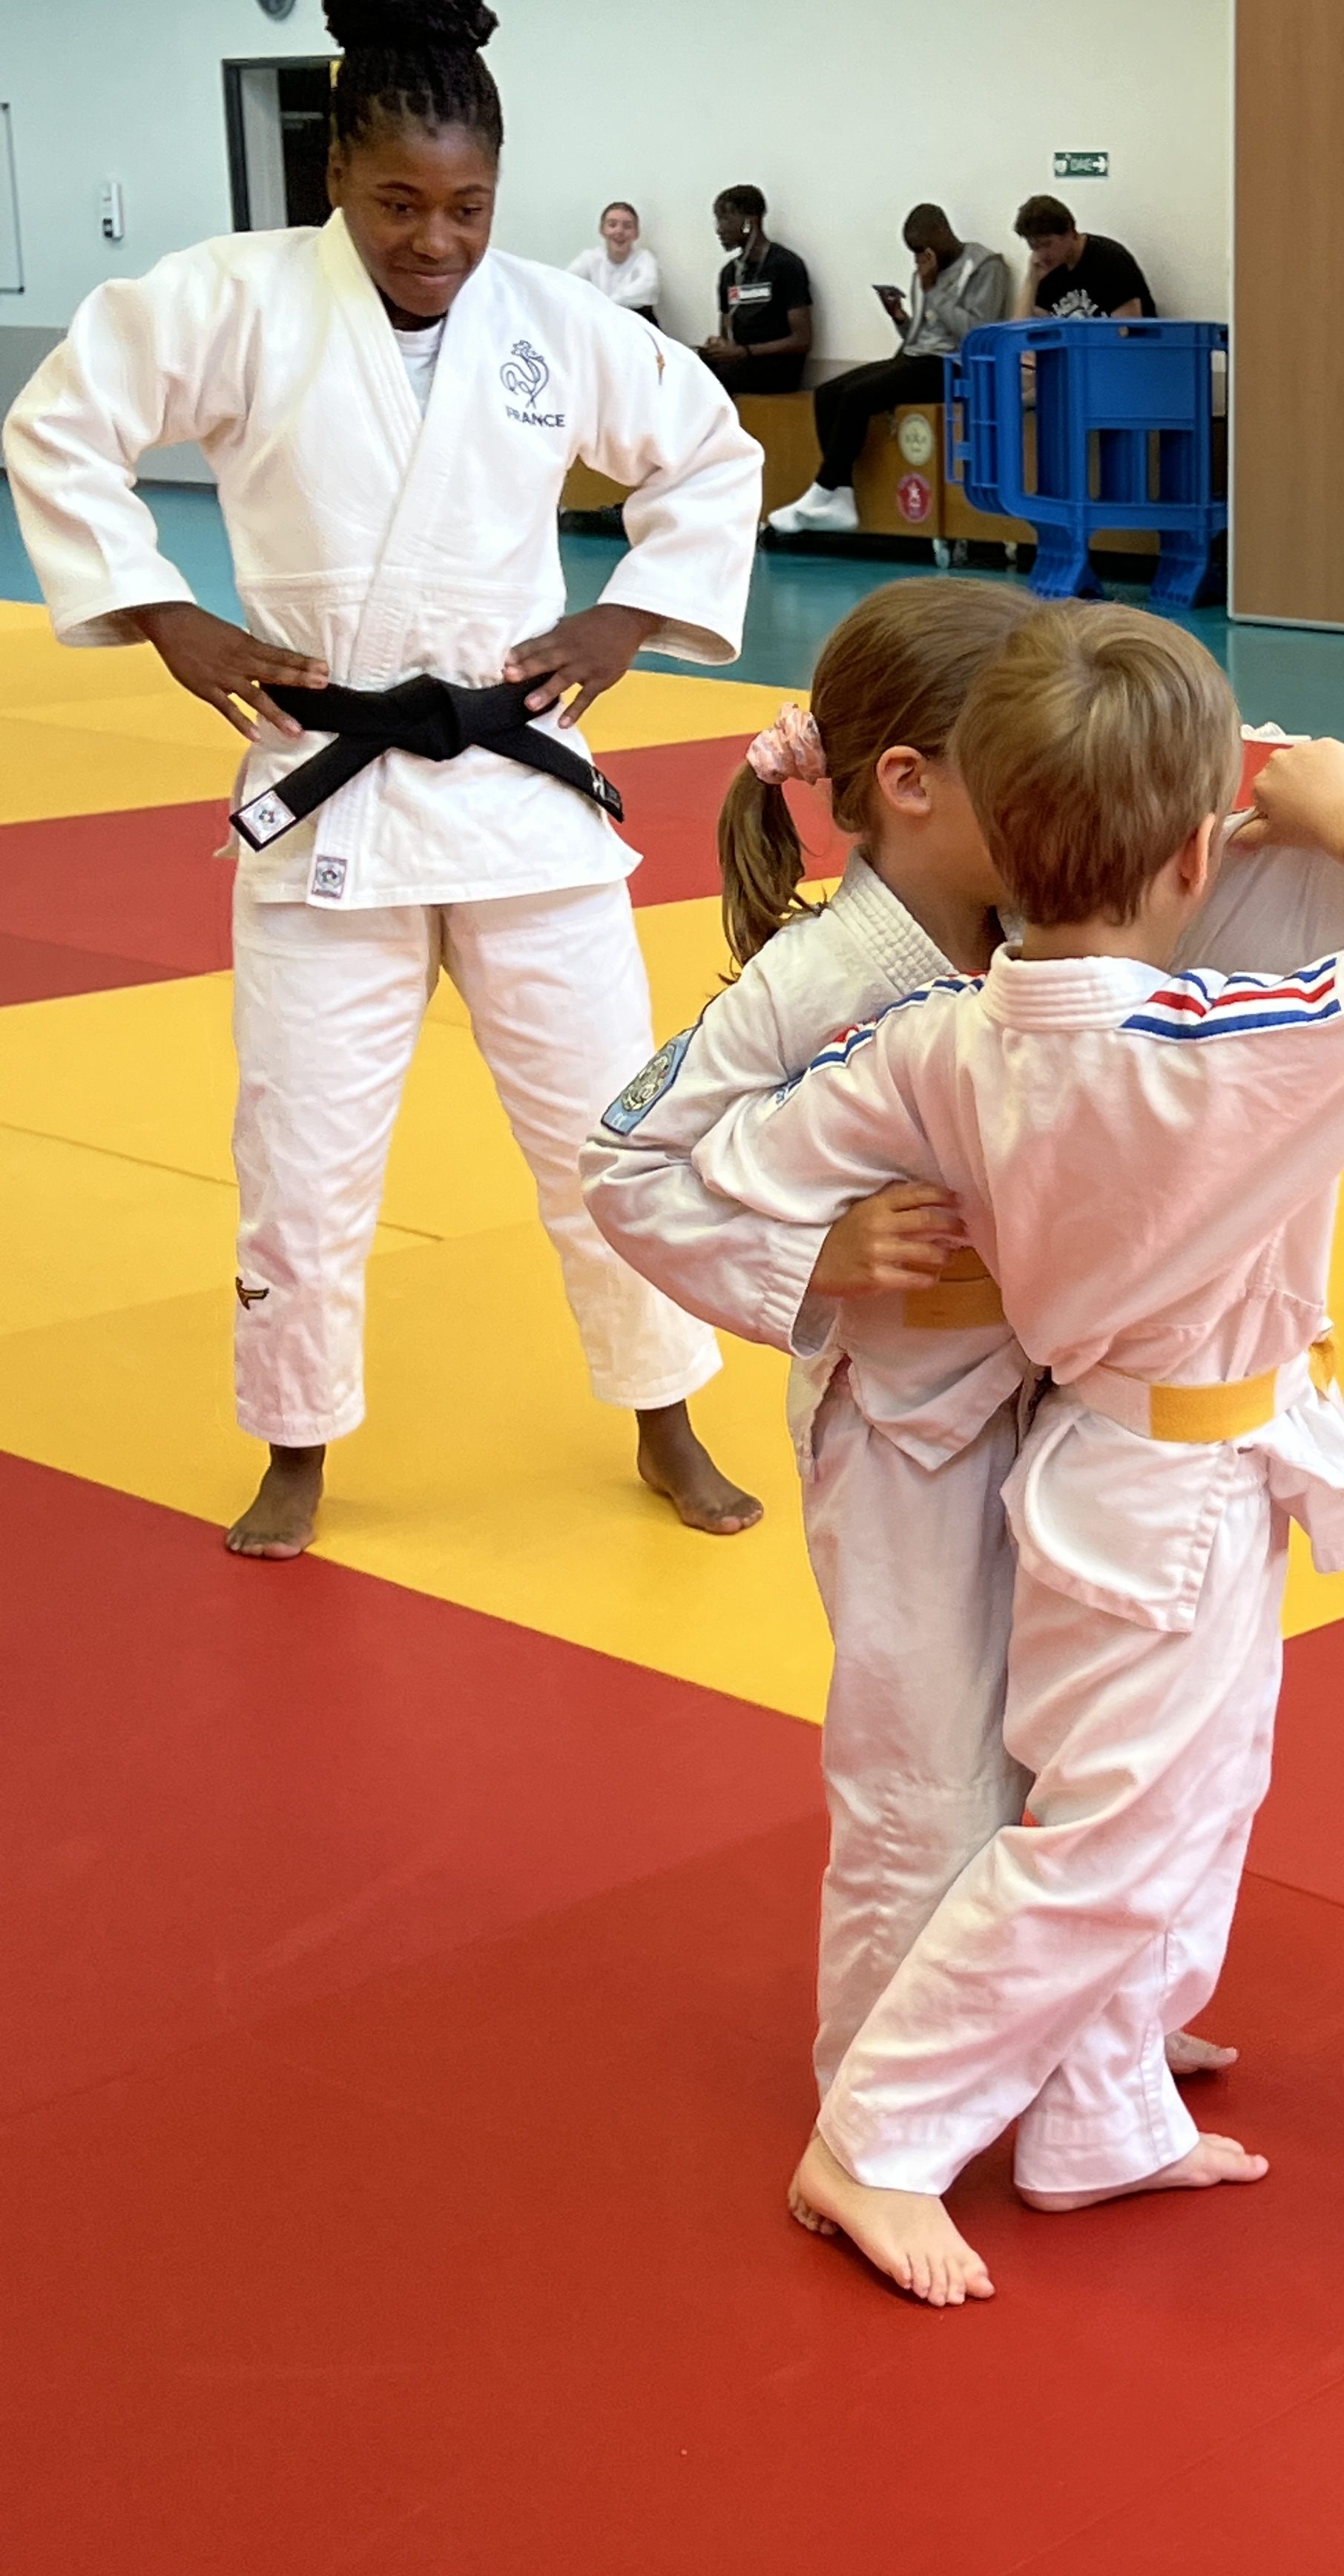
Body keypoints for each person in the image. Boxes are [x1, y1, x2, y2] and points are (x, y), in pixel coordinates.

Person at [582, 579, 1344, 2135]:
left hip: (1069, 1401)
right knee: (927, 1769)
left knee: (1081, 1753)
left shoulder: (1060, 900)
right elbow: (626, 1167)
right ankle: (884, 2093)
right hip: (906, 1421)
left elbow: (1214, 791)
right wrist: (808, 1255)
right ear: (916, 781)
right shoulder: (820, 982)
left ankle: (1082, 2050)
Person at [1, 0, 762, 1560]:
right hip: (327, 783)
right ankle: (296, 1442)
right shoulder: (232, 300)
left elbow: (710, 452)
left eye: (467, 206)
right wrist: (163, 611)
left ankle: (665, 1414)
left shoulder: (552, 319)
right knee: (303, 1157)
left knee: (612, 1138)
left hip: (518, 788)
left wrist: (626, 615)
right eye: (399, 202)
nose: (436, 240)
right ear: (336, 175)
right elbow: (60, 428)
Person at [766, 207, 1007, 537]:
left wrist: (933, 290)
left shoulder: (985, 266)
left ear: (943, 232)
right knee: (828, 394)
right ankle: (842, 496)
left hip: (955, 366)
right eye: (914, 253)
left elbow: (976, 334)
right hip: (916, 358)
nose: (919, 259)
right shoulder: (926, 271)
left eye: (923, 250)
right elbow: (919, 336)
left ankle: (822, 490)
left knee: (857, 397)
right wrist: (899, 317)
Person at [699, 182, 813, 395]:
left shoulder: (786, 266)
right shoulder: (730, 273)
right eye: (718, 220)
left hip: (776, 367)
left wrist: (746, 352)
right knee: (686, 371)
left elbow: (802, 340)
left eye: (726, 219)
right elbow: (726, 331)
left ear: (749, 223)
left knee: (716, 382)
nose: (719, 229)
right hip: (739, 361)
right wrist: (718, 346)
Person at [1009, 196, 1153, 318]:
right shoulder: (1046, 267)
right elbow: (1021, 332)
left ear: (1070, 232)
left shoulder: (1110, 260)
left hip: (1122, 342)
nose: (1041, 254)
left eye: (1047, 244)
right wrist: (1031, 280)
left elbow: (1127, 330)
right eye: (1033, 247)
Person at [567, 200, 659, 320]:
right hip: (599, 319)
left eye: (627, 226)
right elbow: (566, 283)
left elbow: (647, 287)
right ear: (602, 230)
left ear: (636, 233)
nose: (619, 231)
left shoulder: (644, 259)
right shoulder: (590, 259)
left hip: (636, 321)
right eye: (612, 225)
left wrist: (607, 304)